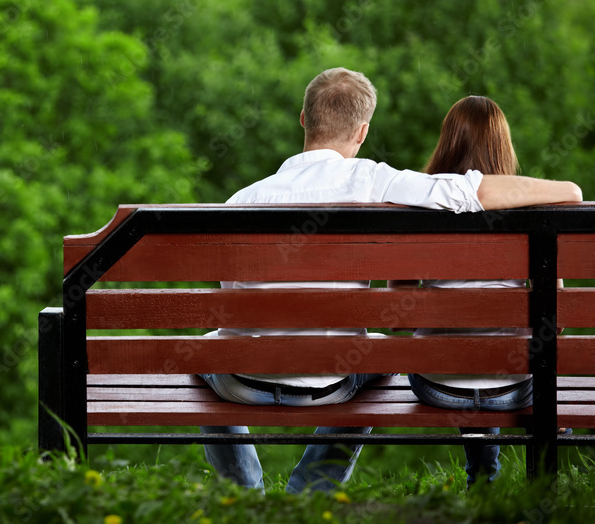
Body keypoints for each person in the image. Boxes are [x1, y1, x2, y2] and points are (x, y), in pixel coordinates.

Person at [200, 69, 583, 495]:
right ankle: (312, 490)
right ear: (362, 130)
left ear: (304, 118)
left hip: (244, 382)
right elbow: (465, 193)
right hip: (334, 384)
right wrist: (567, 188)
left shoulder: (241, 200)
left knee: (201, 351)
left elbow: (230, 302)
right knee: (381, 353)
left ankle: (243, 490)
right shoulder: (373, 180)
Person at [391, 95, 567, 488]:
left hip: (437, 386)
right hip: (516, 386)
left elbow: (399, 314)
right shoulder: (534, 214)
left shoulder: (420, 208)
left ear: (446, 142)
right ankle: (532, 488)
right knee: (513, 358)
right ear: (503, 146)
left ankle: (483, 476)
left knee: (460, 356)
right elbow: (556, 318)